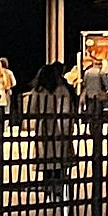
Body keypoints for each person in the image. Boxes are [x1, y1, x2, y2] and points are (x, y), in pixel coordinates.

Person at [27, 63, 76, 203]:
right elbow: (67, 110)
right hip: (59, 129)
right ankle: (59, 189)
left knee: (46, 161)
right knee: (59, 161)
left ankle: (48, 190)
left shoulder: (38, 91)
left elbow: (31, 110)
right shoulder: (62, 90)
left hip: (43, 129)